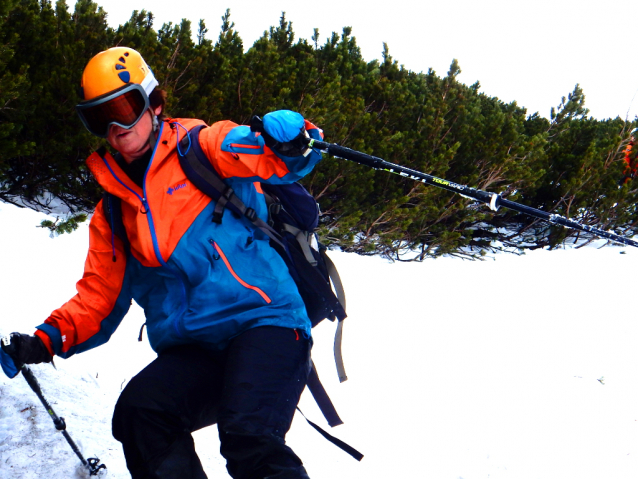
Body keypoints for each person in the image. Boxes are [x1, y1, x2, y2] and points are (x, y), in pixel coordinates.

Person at [0, 46, 325, 479]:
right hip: (198, 347)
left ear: (153, 102)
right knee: (141, 412)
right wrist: (44, 340)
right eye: (100, 117)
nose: (116, 128)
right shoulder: (113, 211)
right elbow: (98, 297)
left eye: (124, 108)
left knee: (249, 437)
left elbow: (271, 156)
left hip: (268, 322)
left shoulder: (204, 148)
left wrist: (291, 138)